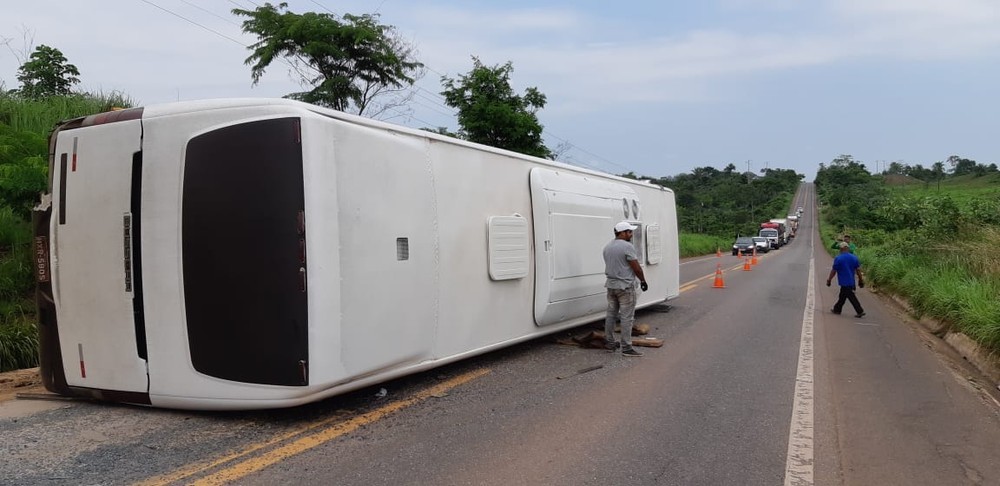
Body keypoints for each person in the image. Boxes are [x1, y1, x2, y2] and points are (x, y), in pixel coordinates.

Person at [603, 221, 648, 357]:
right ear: (622, 233)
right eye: (629, 231)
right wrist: (643, 280)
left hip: (611, 286)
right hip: (625, 287)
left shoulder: (607, 247)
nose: (631, 234)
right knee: (627, 317)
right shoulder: (627, 247)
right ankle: (627, 348)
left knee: (611, 315)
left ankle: (609, 343)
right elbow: (635, 267)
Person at [827, 242, 866, 318]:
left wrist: (829, 280)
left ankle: (860, 310)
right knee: (842, 296)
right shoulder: (854, 258)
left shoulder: (838, 258)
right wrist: (860, 280)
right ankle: (837, 309)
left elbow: (834, 271)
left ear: (841, 249)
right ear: (848, 248)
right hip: (851, 281)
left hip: (844, 282)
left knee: (851, 296)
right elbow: (858, 270)